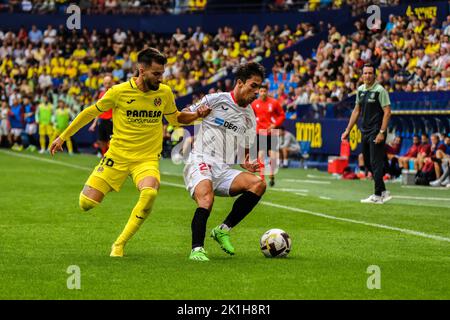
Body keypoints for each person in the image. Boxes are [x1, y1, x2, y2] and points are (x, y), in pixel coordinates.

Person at [50, 48, 211, 257]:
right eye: (155, 73)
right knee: (86, 203)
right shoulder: (118, 92)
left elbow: (175, 119)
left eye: (161, 73)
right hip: (117, 156)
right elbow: (90, 112)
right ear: (141, 70)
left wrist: (197, 115)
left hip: (146, 159)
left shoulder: (164, 92)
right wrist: (63, 136)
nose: (160, 78)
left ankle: (119, 244)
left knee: (150, 192)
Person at [183, 62, 266, 262]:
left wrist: (246, 162)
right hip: (200, 160)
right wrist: (196, 114)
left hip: (223, 168)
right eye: (253, 86)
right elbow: (180, 116)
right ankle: (197, 249)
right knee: (206, 199)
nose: (257, 92)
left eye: (260, 87)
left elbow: (246, 152)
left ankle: (222, 230)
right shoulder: (215, 99)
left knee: (258, 184)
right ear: (239, 83)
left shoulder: (249, 118)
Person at [341, 63, 392, 204]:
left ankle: (377, 195)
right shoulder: (360, 90)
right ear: (362, 75)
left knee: (375, 162)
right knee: (368, 161)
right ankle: (383, 191)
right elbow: (356, 111)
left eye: (370, 73)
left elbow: (387, 112)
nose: (368, 75)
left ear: (374, 75)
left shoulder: (380, 90)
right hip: (365, 130)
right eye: (365, 73)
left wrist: (382, 132)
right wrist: (347, 130)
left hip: (376, 130)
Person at [251, 83, 285, 187]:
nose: (263, 93)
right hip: (260, 131)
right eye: (261, 91)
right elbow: (250, 116)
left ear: (267, 92)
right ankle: (262, 178)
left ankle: (271, 175)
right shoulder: (254, 104)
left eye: (264, 91)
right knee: (261, 155)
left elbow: (282, 115)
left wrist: (275, 124)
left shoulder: (274, 103)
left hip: (272, 132)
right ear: (258, 92)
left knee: (273, 156)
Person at [88, 75, 114, 157]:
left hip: (111, 120)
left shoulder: (115, 93)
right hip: (102, 120)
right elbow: (99, 109)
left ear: (112, 83)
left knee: (111, 141)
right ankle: (104, 156)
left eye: (109, 83)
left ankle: (110, 157)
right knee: (102, 141)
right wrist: (94, 123)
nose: (107, 85)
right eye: (106, 83)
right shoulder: (102, 94)